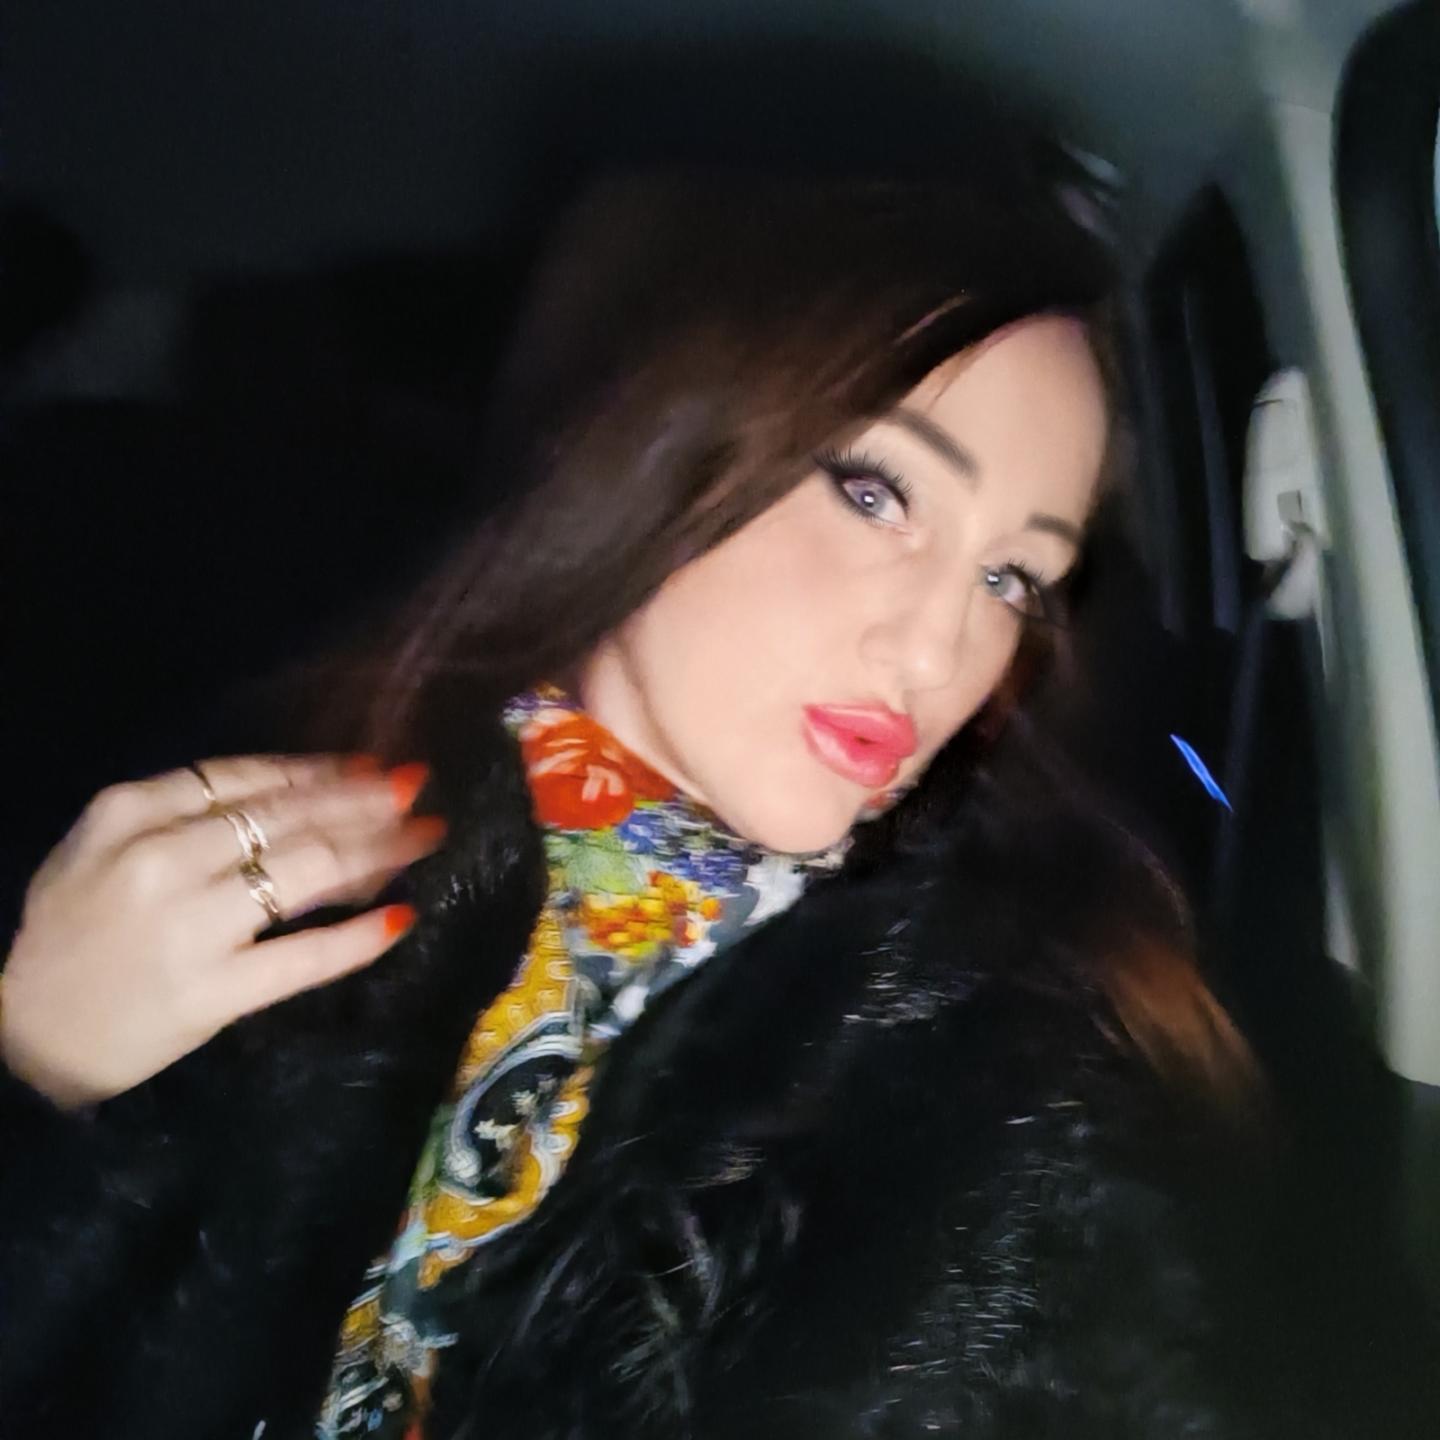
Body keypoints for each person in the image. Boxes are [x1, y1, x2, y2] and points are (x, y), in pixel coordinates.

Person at [0, 155, 1419, 1439]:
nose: (940, 653)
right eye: (875, 494)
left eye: (1012, 578)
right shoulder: (276, 827)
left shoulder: (999, 1074)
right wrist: (39, 1079)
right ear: (659, 439)